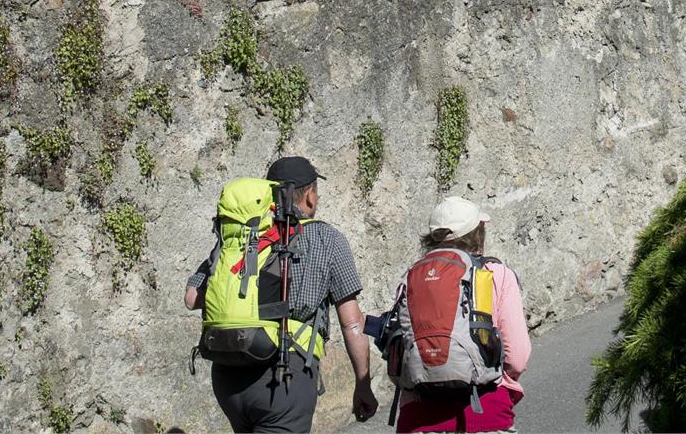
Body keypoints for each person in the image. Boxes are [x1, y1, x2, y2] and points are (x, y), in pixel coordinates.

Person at [187, 154, 381, 431]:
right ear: (310, 196)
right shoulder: (327, 239)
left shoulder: (242, 237)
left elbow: (191, 297)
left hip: (228, 375)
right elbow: (351, 323)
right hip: (284, 375)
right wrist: (362, 383)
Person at [390, 197, 530, 433]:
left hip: (419, 416)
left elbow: (396, 354)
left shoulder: (411, 278)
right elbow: (518, 356)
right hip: (486, 412)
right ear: (478, 233)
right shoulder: (495, 274)